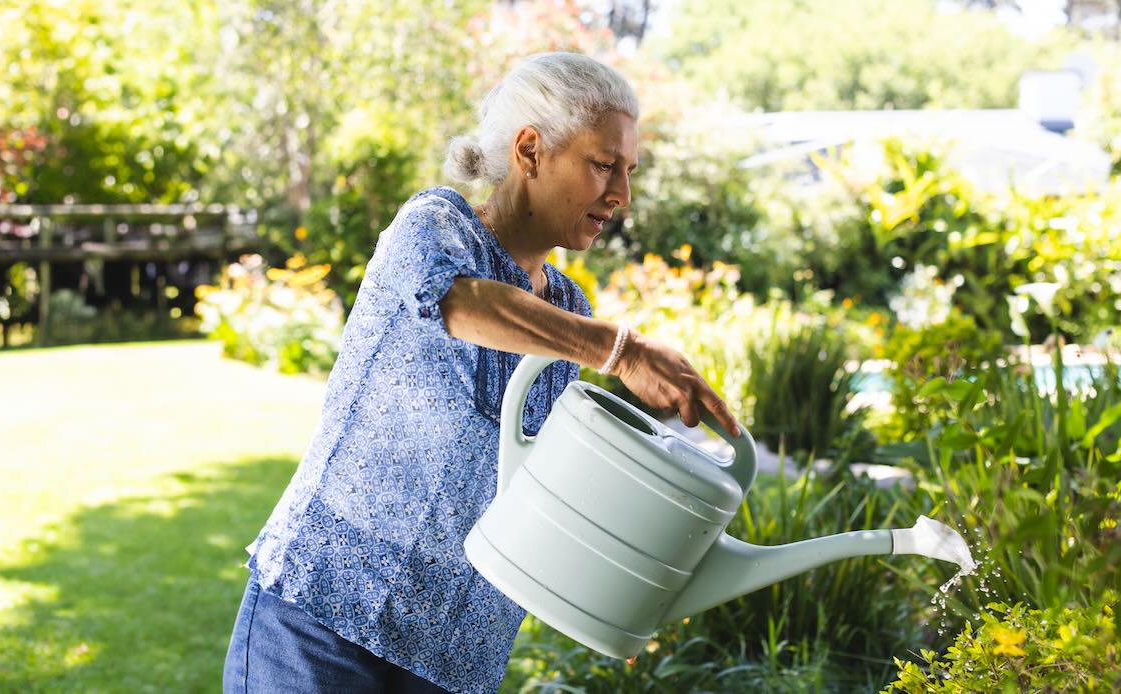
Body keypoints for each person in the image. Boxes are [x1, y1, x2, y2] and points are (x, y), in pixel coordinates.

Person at [223, 51, 741, 694]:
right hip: (321, 619)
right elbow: (459, 301)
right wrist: (623, 352)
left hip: (457, 651)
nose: (621, 195)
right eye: (603, 165)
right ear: (530, 150)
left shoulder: (568, 308)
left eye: (628, 172)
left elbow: (542, 482)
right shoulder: (436, 225)